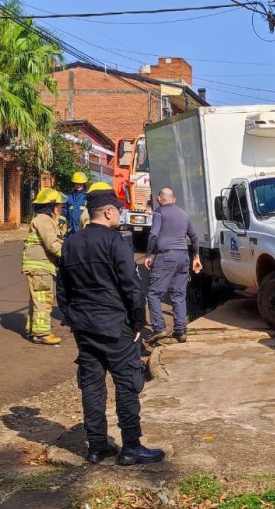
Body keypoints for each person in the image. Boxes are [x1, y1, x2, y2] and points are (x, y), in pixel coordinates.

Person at [56, 188, 164, 465]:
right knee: (127, 383)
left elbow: (62, 287)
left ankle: (97, 446)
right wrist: (138, 320)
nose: (119, 213)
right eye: (117, 209)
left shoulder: (71, 242)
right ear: (107, 212)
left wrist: (71, 318)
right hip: (116, 326)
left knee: (92, 386)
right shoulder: (116, 242)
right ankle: (131, 446)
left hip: (84, 327)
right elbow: (131, 285)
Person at [144, 188, 202, 344]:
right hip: (183, 256)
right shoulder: (183, 214)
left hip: (166, 256)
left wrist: (149, 254)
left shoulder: (159, 212)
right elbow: (194, 237)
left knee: (153, 294)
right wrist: (196, 256)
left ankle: (159, 328)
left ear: (159, 199)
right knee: (178, 295)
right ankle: (180, 331)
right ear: (174, 199)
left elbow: (154, 234)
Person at [22, 188, 65, 345]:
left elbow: (57, 238)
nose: (60, 209)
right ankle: (41, 333)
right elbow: (53, 244)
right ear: (52, 206)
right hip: (40, 266)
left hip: (38, 266)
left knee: (36, 299)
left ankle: (32, 329)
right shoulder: (44, 220)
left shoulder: (45, 220)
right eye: (59, 206)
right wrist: (70, 256)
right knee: (44, 298)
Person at [60, 171, 89, 236]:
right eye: (76, 183)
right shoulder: (68, 197)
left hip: (83, 230)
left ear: (84, 184)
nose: (78, 185)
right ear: (74, 183)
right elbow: (64, 211)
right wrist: (61, 221)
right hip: (71, 230)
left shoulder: (87, 196)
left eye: (80, 183)